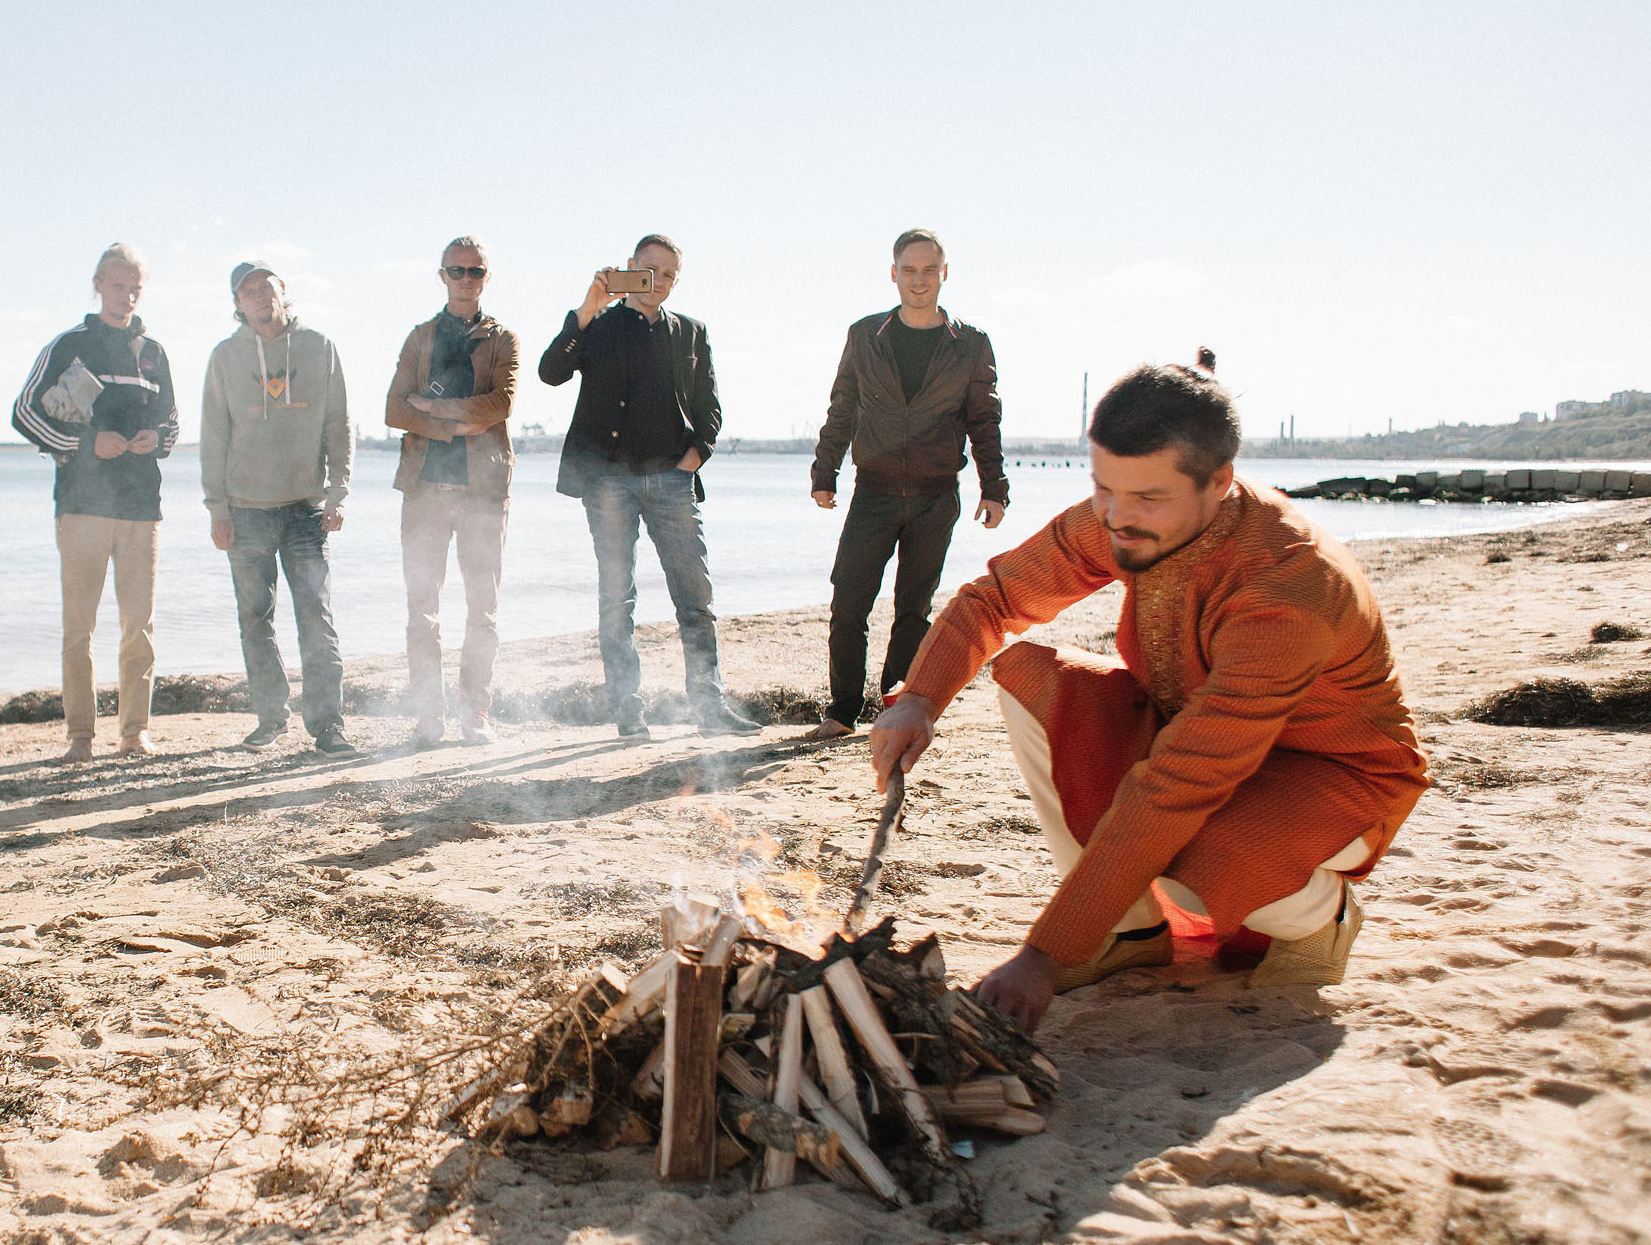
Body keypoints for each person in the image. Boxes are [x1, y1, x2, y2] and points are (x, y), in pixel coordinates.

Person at [868, 352, 1429, 1032]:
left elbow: (1179, 784)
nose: (1115, 517)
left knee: (1188, 846)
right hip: (1189, 734)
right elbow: (996, 599)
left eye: (1147, 497)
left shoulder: (1287, 588)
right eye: (1104, 487)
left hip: (1330, 776)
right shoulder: (1125, 516)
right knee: (1032, 678)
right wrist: (921, 699)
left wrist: (1043, 958)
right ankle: (1127, 934)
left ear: (1219, 481)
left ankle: (1322, 918)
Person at [539, 234, 758, 739]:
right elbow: (551, 373)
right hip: (609, 483)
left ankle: (710, 709)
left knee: (695, 598)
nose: (659, 280)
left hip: (672, 480)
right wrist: (586, 309)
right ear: (630, 266)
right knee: (617, 600)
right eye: (650, 269)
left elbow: (710, 407)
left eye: (670, 274)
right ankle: (629, 714)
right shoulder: (600, 324)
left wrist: (695, 456)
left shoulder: (691, 333)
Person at [806, 229, 1008, 739]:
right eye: (910, 270)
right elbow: (842, 408)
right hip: (872, 492)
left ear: (945, 274)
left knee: (913, 609)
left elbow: (984, 420)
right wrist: (824, 471)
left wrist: (994, 486)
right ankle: (842, 710)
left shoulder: (971, 344)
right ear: (893, 273)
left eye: (929, 269)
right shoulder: (865, 335)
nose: (919, 280)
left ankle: (893, 704)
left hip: (936, 498)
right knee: (849, 600)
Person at [15, 244, 178, 762]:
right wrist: (84, 445)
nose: (126, 294)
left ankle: (134, 732)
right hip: (82, 505)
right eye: (116, 284)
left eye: (134, 286)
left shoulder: (153, 350)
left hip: (141, 507)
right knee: (78, 626)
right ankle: (80, 737)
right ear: (97, 285)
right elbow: (24, 413)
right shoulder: (70, 344)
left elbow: (172, 421)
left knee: (139, 625)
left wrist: (158, 438)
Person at [201, 261, 355, 756]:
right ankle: (271, 718)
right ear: (237, 302)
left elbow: (338, 422)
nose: (260, 295)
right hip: (244, 510)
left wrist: (339, 491)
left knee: (316, 614)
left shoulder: (318, 347)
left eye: (267, 286)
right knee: (254, 618)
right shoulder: (225, 356)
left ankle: (328, 726)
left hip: (305, 507)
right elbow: (214, 434)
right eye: (248, 290)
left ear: (283, 291)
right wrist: (216, 507)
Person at [384, 235, 518, 746]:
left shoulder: (504, 340)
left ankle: (474, 713)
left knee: (482, 608)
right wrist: (454, 424)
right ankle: (428, 717)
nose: (466, 279)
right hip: (425, 490)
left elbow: (499, 406)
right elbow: (395, 409)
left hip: (484, 491)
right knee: (422, 608)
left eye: (475, 272)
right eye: (457, 270)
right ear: (441, 275)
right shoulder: (419, 338)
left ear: (486, 277)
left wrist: (435, 409)